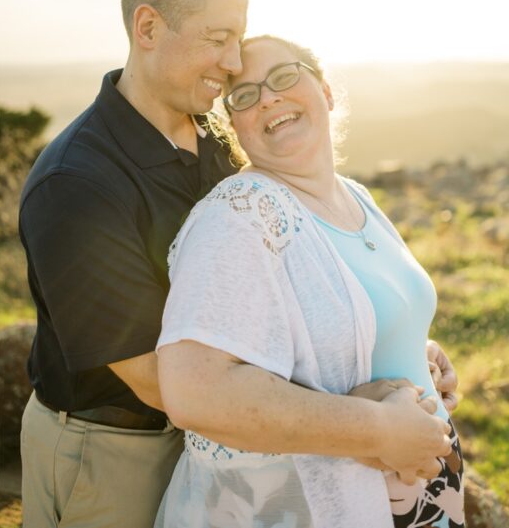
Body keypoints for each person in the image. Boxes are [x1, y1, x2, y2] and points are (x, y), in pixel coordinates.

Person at [16, 0, 459, 528]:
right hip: (116, 450)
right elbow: (164, 383)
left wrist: (393, 349)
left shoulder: (220, 145)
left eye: (238, 37)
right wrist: (370, 420)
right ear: (148, 27)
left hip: (242, 444)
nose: (232, 64)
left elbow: (284, 298)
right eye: (217, 38)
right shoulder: (77, 184)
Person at [156, 35, 463, 527]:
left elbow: (343, 321)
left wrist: (413, 349)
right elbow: (195, 390)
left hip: (425, 496)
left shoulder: (356, 196)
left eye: (283, 77)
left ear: (325, 92)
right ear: (233, 126)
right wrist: (380, 430)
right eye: (245, 95)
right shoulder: (239, 215)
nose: (269, 97)